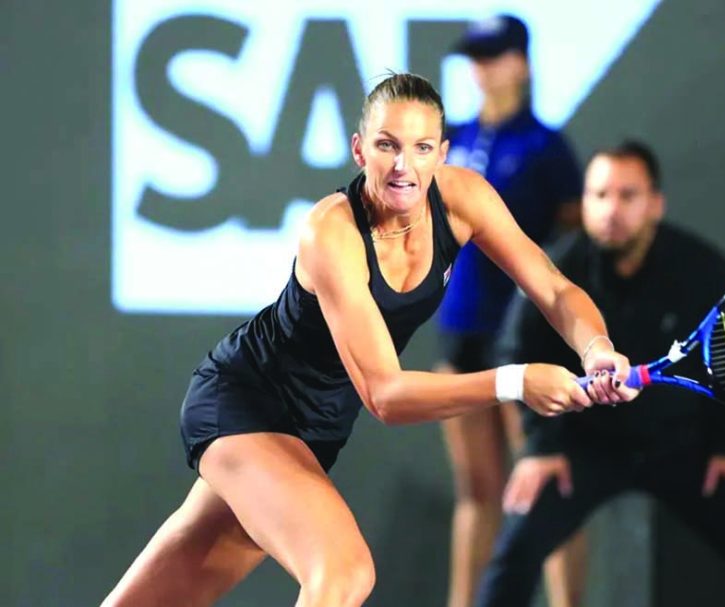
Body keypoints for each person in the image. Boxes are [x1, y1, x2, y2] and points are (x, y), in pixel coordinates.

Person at [100, 73, 637, 607]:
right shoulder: (331, 232)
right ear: (360, 150)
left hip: (315, 431)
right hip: (244, 403)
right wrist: (517, 381)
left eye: (422, 147)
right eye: (387, 145)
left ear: (442, 153)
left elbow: (554, 288)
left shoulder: (463, 199)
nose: (404, 165)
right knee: (343, 573)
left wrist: (596, 348)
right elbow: (385, 394)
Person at [475, 141, 725, 607]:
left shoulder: (702, 269)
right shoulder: (556, 271)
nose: (612, 210)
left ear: (655, 204)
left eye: (627, 196)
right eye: (599, 195)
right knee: (516, 550)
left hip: (682, 448)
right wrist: (541, 447)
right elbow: (516, 351)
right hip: (582, 448)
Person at [434, 15, 586, 607]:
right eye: (475, 56)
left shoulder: (546, 147)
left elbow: (573, 245)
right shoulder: (454, 139)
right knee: (476, 491)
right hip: (461, 333)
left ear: (521, 63)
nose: (481, 68)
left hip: (525, 340)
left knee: (544, 485)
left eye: (493, 55)